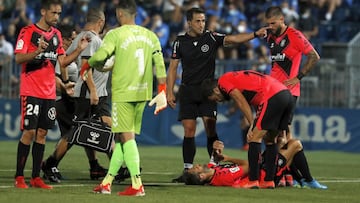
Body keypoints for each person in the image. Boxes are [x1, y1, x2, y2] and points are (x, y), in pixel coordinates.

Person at [166, 7, 268, 183]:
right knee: (189, 130)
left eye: (203, 20)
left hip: (208, 91)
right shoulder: (179, 42)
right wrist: (168, 92)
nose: (201, 24)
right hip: (188, 90)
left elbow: (233, 39)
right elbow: (173, 68)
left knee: (210, 127)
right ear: (189, 22)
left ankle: (213, 165)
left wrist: (255, 34)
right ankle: (188, 170)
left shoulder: (211, 37)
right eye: (198, 21)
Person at [82, 0, 167, 196]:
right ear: (135, 14)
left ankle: (137, 185)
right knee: (122, 138)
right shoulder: (151, 36)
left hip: (123, 92)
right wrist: (162, 89)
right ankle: (107, 182)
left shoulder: (115, 34)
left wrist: (89, 64)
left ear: (120, 14)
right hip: (143, 92)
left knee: (127, 138)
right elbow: (160, 64)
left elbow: (100, 55)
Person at [14, 0, 89, 189]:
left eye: (59, 13)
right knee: (29, 132)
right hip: (31, 90)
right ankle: (19, 177)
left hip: (48, 93)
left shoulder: (56, 35)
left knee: (42, 133)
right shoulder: (28, 32)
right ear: (43, 11)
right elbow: (18, 58)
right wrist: (37, 52)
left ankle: (35, 177)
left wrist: (79, 50)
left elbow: (62, 61)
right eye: (54, 13)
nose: (57, 17)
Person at [42, 8, 111, 183]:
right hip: (89, 94)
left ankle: (106, 166)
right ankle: (50, 163)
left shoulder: (82, 37)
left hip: (91, 94)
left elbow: (64, 61)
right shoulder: (91, 39)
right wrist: (93, 90)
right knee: (77, 133)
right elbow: (85, 67)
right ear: (100, 22)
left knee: (88, 130)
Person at [201, 70, 294, 189]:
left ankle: (253, 181)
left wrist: (252, 125)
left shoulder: (223, 81)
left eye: (214, 99)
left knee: (253, 138)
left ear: (215, 90)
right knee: (271, 139)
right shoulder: (237, 79)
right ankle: (268, 181)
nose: (218, 101)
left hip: (272, 95)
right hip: (285, 94)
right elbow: (255, 98)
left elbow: (241, 101)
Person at [264, 6, 320, 141]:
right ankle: (283, 160)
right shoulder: (270, 37)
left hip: (288, 91)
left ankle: (286, 159)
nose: (270, 27)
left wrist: (298, 77)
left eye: (273, 23)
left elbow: (314, 56)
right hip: (272, 90)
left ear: (282, 19)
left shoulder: (295, 35)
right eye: (268, 24)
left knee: (280, 133)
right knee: (276, 133)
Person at [184, 138, 327, 189]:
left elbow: (212, 163)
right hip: (264, 174)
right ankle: (308, 180)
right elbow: (249, 165)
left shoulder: (212, 171)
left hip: (262, 168)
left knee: (282, 142)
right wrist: (228, 158)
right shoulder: (223, 177)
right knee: (295, 145)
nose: (196, 165)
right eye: (195, 169)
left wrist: (216, 150)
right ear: (201, 177)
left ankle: (296, 179)